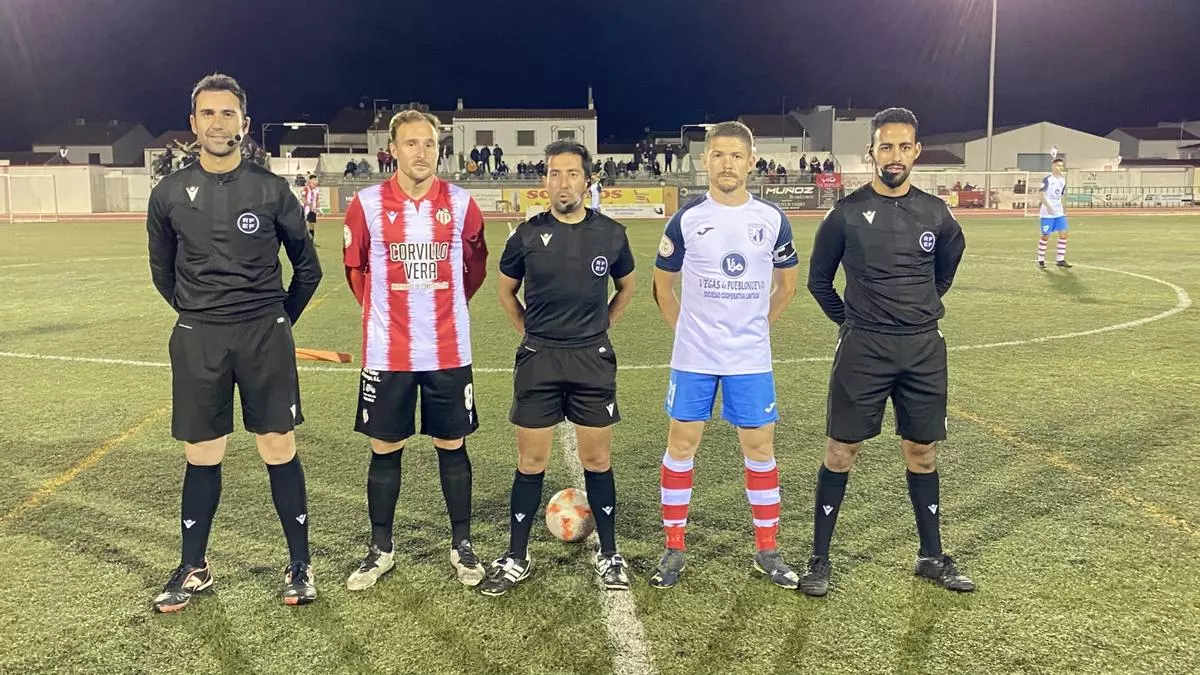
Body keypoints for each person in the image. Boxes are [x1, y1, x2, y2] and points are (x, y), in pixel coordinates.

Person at [146, 73, 323, 613]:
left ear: (244, 124)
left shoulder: (271, 190)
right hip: (199, 337)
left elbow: (308, 268)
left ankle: (300, 563)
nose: (218, 123)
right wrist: (201, 315)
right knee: (202, 452)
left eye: (228, 114)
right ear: (193, 123)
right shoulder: (168, 193)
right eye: (208, 113)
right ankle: (193, 566)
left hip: (264, 334)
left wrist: (278, 320)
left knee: (277, 446)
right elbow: (163, 273)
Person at [802, 107, 974, 597]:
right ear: (871, 152)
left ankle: (931, 556)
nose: (894, 155)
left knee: (922, 452)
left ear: (916, 151)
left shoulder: (936, 213)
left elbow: (945, 269)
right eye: (885, 146)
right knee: (841, 451)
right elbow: (819, 281)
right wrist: (853, 322)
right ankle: (819, 559)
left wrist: (918, 308)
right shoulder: (846, 213)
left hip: (922, 348)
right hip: (864, 348)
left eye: (903, 147)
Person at [649, 120, 802, 590]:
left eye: (736, 155)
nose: (727, 163)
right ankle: (674, 548)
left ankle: (768, 550)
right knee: (681, 447)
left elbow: (787, 285)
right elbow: (662, 286)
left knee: (760, 451)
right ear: (705, 161)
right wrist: (687, 334)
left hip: (749, 361)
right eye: (718, 155)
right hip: (693, 359)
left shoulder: (772, 219)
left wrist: (756, 329)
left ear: (751, 162)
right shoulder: (686, 219)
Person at [342, 110, 490, 591]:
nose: (421, 152)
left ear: (439, 149)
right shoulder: (366, 204)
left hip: (448, 348)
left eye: (429, 143)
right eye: (411, 143)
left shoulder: (462, 203)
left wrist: (445, 307)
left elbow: (474, 269)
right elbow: (356, 270)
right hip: (388, 351)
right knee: (385, 447)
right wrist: (385, 312)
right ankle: (380, 549)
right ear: (393, 150)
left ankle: (462, 544)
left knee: (453, 444)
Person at [482, 141, 637, 597]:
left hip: (592, 359)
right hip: (540, 359)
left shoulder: (611, 234)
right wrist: (530, 333)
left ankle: (610, 554)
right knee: (531, 461)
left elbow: (626, 287)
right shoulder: (526, 235)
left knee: (597, 460)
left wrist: (601, 327)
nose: (563, 182)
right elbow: (506, 292)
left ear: (587, 180)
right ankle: (516, 555)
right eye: (554, 173)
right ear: (544, 181)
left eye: (572, 173)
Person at [1038, 158, 1071, 269]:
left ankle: (1060, 259)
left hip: (1059, 212)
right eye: (1058, 165)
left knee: (1064, 234)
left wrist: (1064, 208)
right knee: (1045, 236)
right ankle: (1041, 259)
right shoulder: (1047, 179)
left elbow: (1061, 195)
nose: (1060, 168)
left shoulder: (1062, 180)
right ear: (1053, 166)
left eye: (1061, 166)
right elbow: (1041, 195)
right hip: (1047, 213)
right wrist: (1048, 206)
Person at [301, 175, 320, 242]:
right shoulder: (306, 189)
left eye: (316, 180)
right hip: (307, 210)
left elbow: (317, 200)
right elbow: (303, 200)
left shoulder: (316, 190)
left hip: (313, 210)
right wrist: (310, 205)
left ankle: (311, 241)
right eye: (314, 180)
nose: (316, 181)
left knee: (312, 226)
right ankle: (305, 241)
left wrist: (319, 209)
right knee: (306, 225)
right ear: (310, 180)